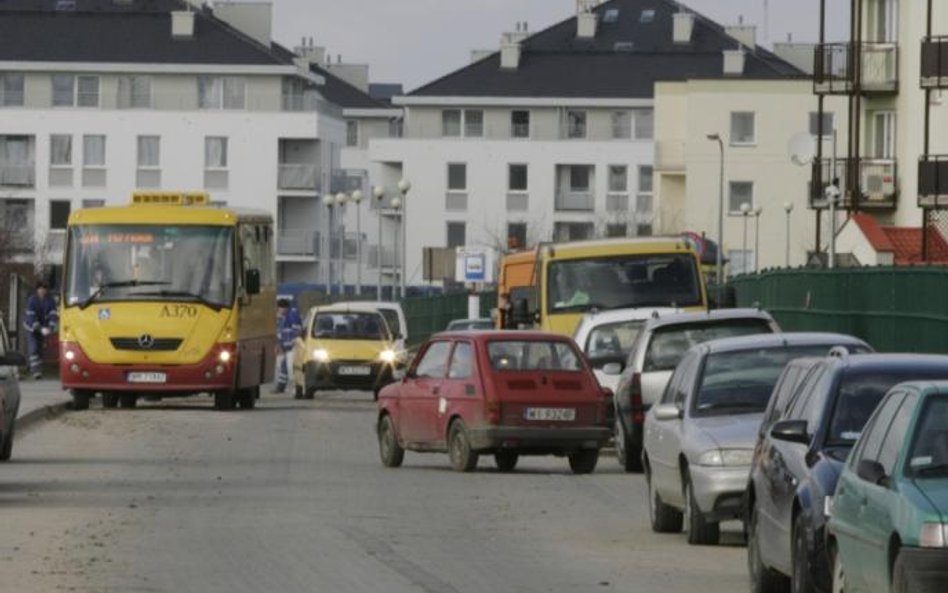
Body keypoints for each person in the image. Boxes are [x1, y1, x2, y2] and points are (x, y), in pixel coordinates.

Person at [24, 281, 59, 380]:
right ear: (37, 290)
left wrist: (51, 327)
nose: (42, 291)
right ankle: (35, 372)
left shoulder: (50, 300)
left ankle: (38, 369)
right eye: (40, 289)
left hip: (44, 328)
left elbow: (53, 314)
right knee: (34, 347)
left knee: (40, 348)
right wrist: (39, 328)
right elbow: (31, 317)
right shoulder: (32, 300)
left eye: (44, 289)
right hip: (31, 328)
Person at [274, 298, 303, 394]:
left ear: (284, 308)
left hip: (292, 348)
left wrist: (292, 345)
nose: (278, 311)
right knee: (284, 367)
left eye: (279, 309)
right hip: (287, 348)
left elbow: (297, 331)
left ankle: (297, 389)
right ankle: (281, 386)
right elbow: (281, 334)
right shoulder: (284, 317)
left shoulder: (292, 315)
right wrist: (280, 345)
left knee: (292, 370)